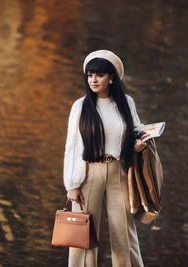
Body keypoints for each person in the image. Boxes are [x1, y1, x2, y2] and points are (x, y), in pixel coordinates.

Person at [63, 50, 146, 267]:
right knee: (83, 234)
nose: (93, 80)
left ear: (111, 77)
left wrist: (137, 144)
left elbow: (136, 131)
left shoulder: (126, 103)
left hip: (119, 171)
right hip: (89, 173)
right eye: (90, 75)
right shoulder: (80, 106)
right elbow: (72, 146)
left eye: (99, 75)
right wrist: (72, 185)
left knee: (124, 232)